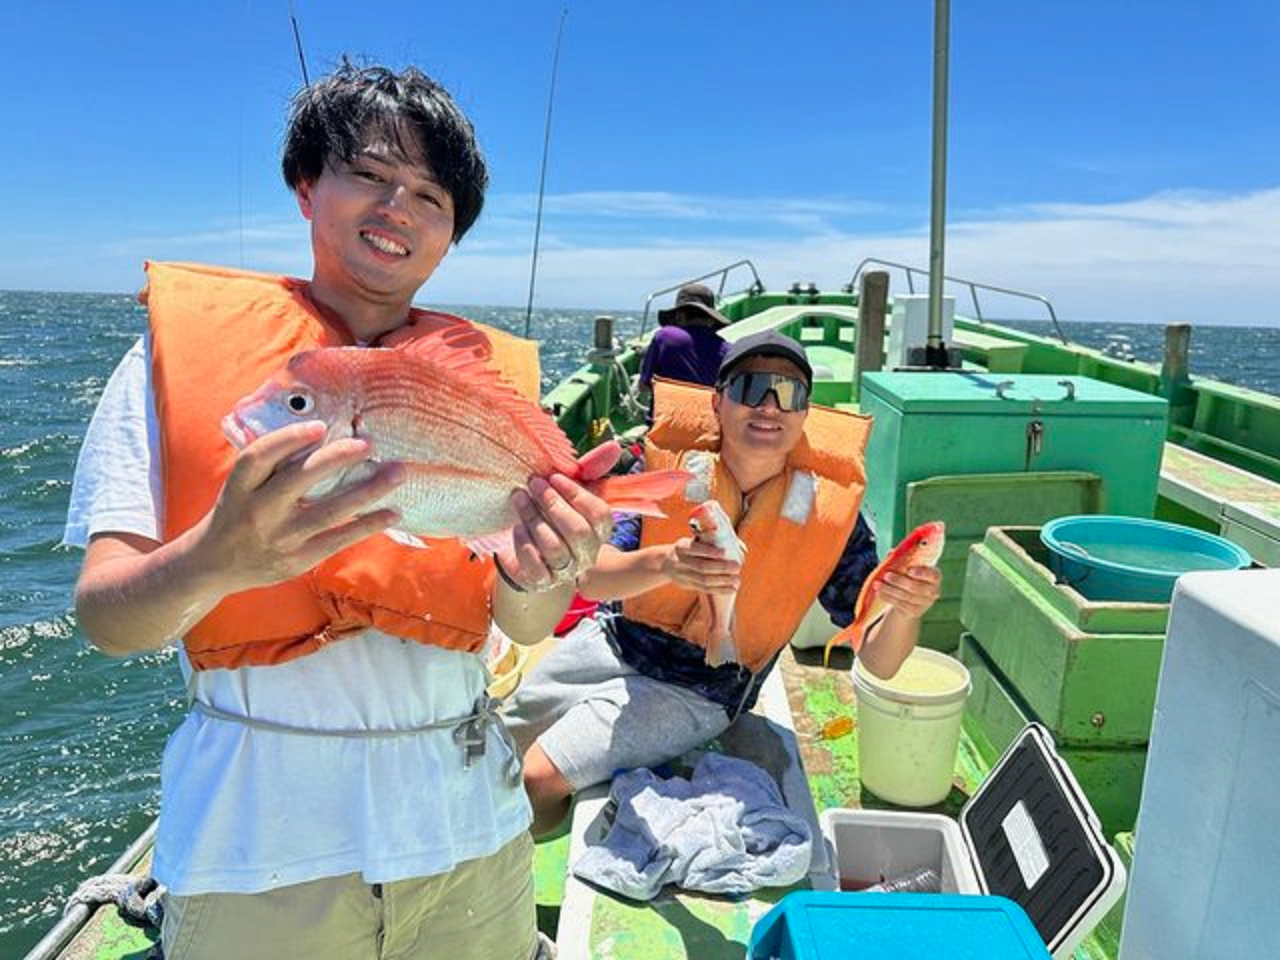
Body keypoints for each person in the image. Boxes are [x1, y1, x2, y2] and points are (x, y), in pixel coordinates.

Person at [63, 62, 610, 960]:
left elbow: (524, 616)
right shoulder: (167, 374)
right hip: (260, 857)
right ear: (306, 187)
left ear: (451, 233)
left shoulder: (486, 388)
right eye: (368, 173)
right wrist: (219, 560)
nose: (398, 207)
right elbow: (107, 619)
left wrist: (551, 565)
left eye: (430, 195)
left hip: (470, 832)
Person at [504, 329, 943, 837]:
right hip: (612, 644)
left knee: (536, 779)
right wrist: (665, 563)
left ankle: (523, 868)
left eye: (790, 393)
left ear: (805, 414)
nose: (770, 406)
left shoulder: (831, 514)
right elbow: (594, 576)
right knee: (498, 747)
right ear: (717, 402)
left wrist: (907, 609)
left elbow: (880, 661)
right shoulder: (663, 468)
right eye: (751, 387)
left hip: (700, 689)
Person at [637, 282, 730, 417]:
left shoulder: (664, 336)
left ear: (679, 316)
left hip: (663, 432)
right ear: (711, 319)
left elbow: (643, 386)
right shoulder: (727, 350)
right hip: (709, 433)